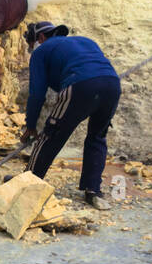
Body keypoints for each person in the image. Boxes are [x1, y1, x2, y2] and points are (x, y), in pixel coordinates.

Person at [21, 21, 120, 210]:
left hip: (79, 85)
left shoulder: (41, 51)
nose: (32, 48)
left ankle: (27, 181)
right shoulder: (86, 41)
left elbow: (37, 93)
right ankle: (94, 192)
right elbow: (94, 69)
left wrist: (31, 125)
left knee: (51, 135)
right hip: (112, 84)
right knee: (97, 137)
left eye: (32, 43)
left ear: (40, 38)